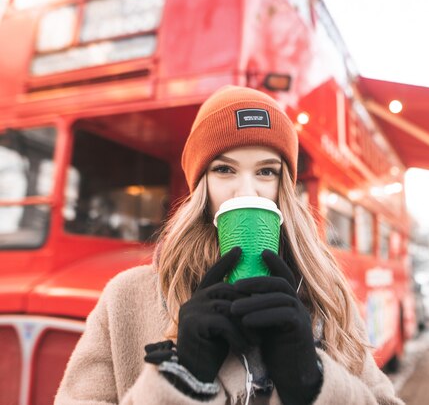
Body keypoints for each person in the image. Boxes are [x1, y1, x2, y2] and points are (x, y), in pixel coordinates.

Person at [55, 86, 403, 405]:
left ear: (285, 186)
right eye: (224, 169)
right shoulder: (126, 298)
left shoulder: (329, 296)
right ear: (200, 187)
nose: (247, 191)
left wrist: (312, 382)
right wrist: (181, 380)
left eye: (267, 172)